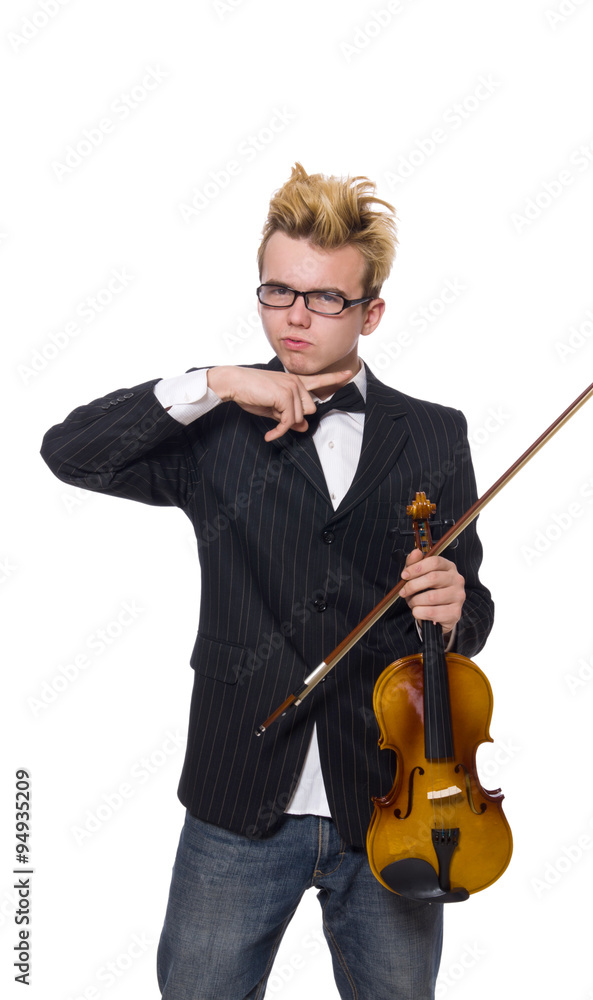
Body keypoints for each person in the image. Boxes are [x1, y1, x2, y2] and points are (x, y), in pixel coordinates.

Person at [41, 163, 494, 1000]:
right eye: (277, 291)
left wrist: (456, 606)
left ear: (372, 312)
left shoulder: (435, 433)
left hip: (395, 802)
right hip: (239, 788)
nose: (294, 316)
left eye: (324, 298)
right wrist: (211, 382)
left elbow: (469, 606)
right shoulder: (216, 425)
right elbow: (70, 452)